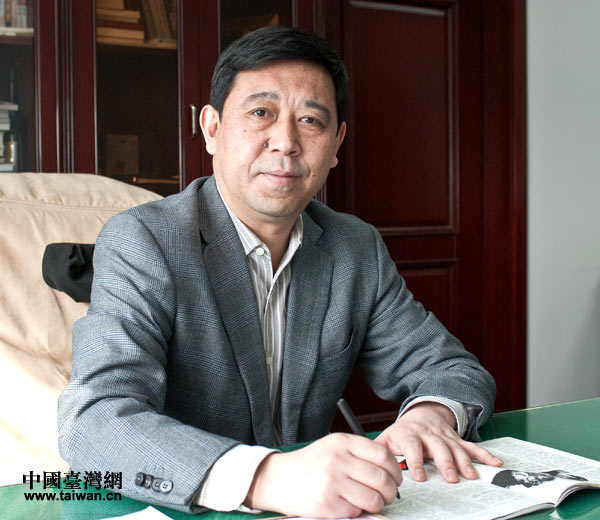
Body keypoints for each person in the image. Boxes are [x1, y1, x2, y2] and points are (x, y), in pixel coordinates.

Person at [58, 26, 502, 517]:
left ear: (336, 144)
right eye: (261, 113)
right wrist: (266, 477)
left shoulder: (354, 248)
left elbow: (451, 369)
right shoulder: (144, 240)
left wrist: (430, 416)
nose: (286, 142)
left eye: (311, 120)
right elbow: (94, 420)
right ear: (212, 128)